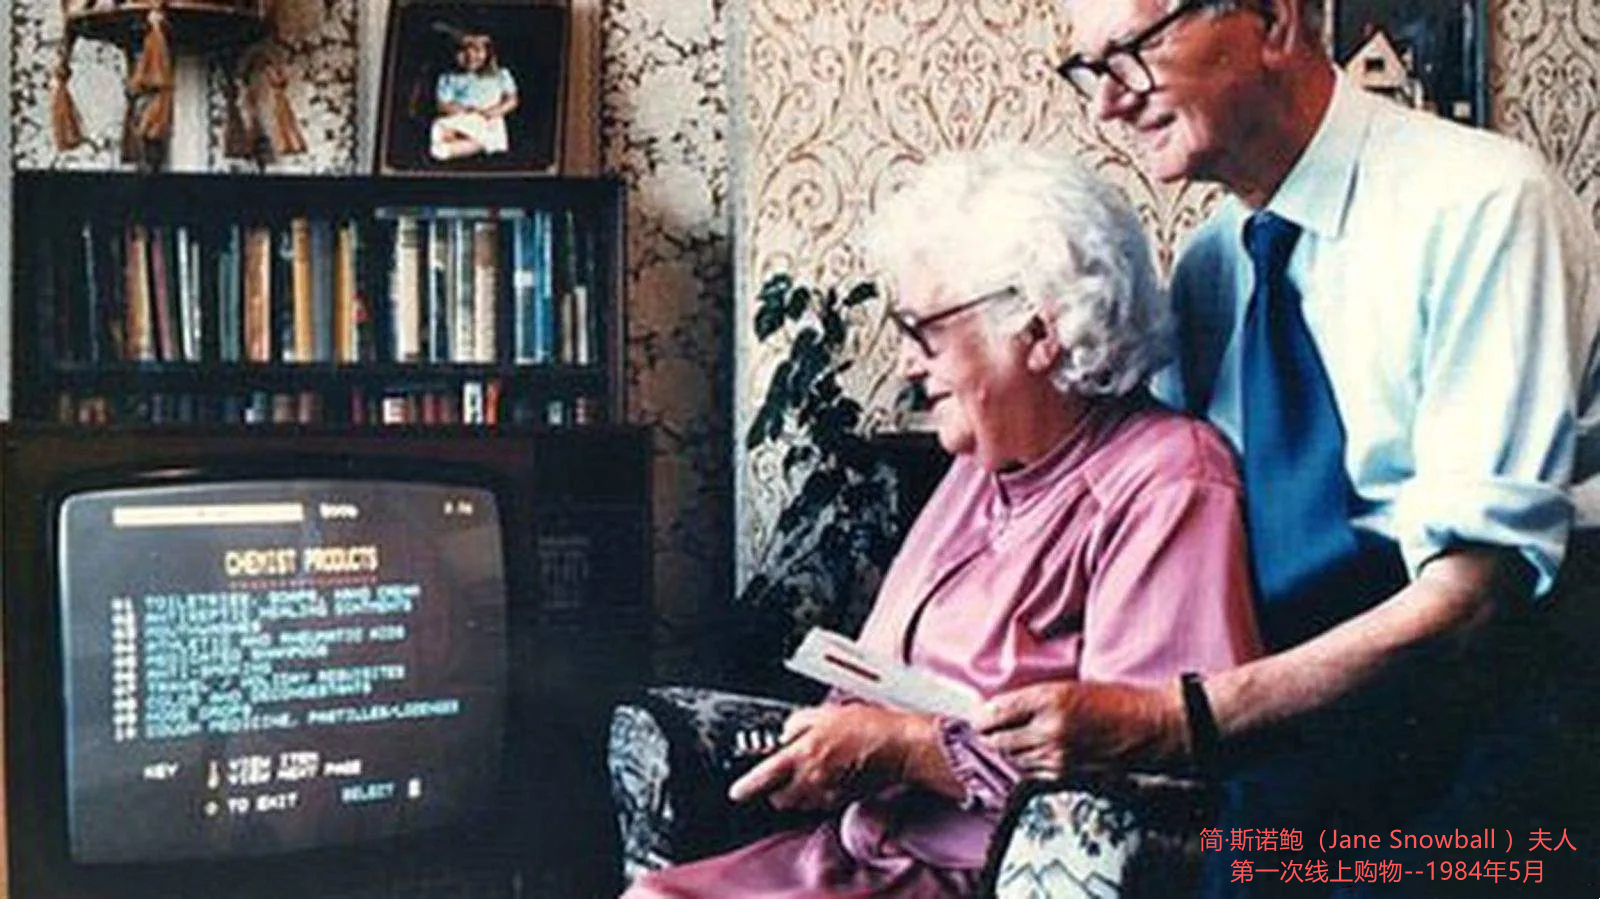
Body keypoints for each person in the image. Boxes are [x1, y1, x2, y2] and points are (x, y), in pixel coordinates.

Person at [975, 0, 1600, 895]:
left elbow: (1473, 598)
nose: (1107, 102)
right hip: (1291, 724)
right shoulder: (1208, 267)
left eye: (1133, 52)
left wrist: (1174, 720)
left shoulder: (1484, 204)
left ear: (1273, 21)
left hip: (1499, 708)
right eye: (1088, 70)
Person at [623, 146, 1263, 897]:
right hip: (863, 853)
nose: (905, 364)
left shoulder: (1167, 480)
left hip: (983, 876)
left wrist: (904, 749)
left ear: (1039, 327)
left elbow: (1153, 774)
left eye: (922, 331)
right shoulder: (981, 465)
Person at [428, 29, 518, 162]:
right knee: (439, 126)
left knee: (481, 134)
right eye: (463, 51)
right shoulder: (449, 77)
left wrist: (494, 111)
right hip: (462, 116)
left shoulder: (500, 75)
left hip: (488, 119)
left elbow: (512, 100)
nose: (470, 56)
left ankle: (469, 146)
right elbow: (442, 105)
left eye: (477, 50)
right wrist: (464, 110)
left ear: (488, 53)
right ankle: (461, 143)